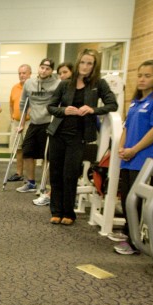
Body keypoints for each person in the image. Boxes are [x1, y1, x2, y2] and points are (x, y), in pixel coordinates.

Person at [47, 48, 118, 225]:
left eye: (90, 63)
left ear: (94, 66)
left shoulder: (98, 84)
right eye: (83, 62)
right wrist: (64, 110)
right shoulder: (65, 84)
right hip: (58, 133)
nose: (85, 67)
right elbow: (51, 106)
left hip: (78, 136)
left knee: (70, 174)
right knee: (55, 173)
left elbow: (112, 104)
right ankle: (56, 211)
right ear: (78, 63)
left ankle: (68, 213)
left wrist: (93, 109)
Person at [111, 60, 153, 254]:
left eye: (147, 76)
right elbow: (126, 128)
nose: (142, 79)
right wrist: (121, 148)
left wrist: (134, 150)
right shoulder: (136, 102)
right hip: (128, 158)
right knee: (126, 198)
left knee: (135, 200)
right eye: (140, 75)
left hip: (144, 158)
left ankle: (135, 243)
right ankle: (129, 234)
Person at [15, 58, 60, 193]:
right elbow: (23, 104)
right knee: (27, 153)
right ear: (38, 68)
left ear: (52, 71)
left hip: (48, 123)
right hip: (34, 123)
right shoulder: (29, 83)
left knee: (47, 155)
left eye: (47, 68)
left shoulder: (57, 84)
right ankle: (31, 182)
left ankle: (45, 185)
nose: (44, 70)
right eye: (42, 67)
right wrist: (22, 124)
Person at [33, 62, 74, 206]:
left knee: (66, 169)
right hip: (58, 129)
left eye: (65, 72)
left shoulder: (77, 89)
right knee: (55, 165)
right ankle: (52, 195)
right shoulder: (61, 88)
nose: (62, 76)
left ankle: (55, 195)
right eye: (60, 73)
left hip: (74, 134)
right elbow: (51, 107)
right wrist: (63, 111)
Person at [7, 64, 32, 182]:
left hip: (29, 122)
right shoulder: (15, 87)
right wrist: (12, 117)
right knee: (18, 148)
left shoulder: (34, 87)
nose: (21, 75)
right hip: (16, 121)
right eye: (20, 73)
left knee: (29, 149)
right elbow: (11, 104)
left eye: (24, 73)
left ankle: (29, 176)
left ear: (30, 74)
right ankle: (19, 173)